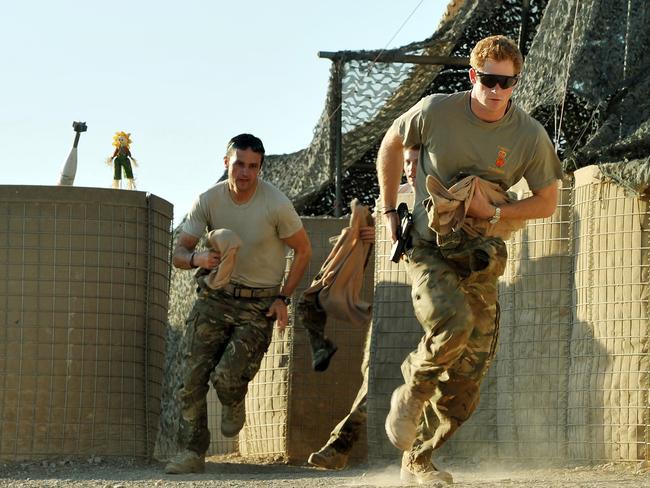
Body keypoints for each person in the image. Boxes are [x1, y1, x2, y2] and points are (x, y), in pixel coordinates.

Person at [377, 35, 562, 484]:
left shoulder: (528, 136)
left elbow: (546, 202)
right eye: (490, 80)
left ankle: (418, 458)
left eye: (508, 82)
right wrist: (388, 211)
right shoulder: (437, 110)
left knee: (469, 377)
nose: (497, 91)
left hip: (481, 255)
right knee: (450, 323)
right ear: (472, 76)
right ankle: (412, 390)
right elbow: (391, 144)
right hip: (427, 247)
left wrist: (495, 212)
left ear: (516, 83)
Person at [164, 133, 312, 474]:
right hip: (215, 298)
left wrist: (282, 298)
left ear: (260, 168)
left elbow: (303, 250)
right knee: (191, 378)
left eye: (253, 167)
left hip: (257, 304)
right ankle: (191, 451)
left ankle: (233, 400)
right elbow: (179, 253)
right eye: (239, 164)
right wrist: (198, 258)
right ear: (226, 162)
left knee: (228, 377)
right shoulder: (208, 200)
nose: (245, 173)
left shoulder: (275, 204)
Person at [307, 147, 418, 470]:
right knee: (375, 376)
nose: (410, 169)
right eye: (406, 162)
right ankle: (340, 446)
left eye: (415, 162)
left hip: (432, 308)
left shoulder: (440, 195)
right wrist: (372, 237)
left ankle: (413, 455)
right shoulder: (392, 201)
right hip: (393, 307)